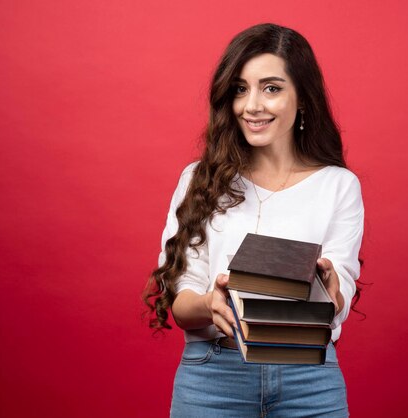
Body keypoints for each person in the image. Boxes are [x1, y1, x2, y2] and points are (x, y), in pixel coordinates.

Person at [143, 22, 364, 417]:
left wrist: (333, 292)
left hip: (308, 380)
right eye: (241, 89)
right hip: (213, 378)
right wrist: (211, 302)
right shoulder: (199, 180)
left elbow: (339, 295)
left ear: (303, 100)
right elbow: (180, 299)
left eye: (272, 88)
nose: (252, 106)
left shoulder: (338, 186)